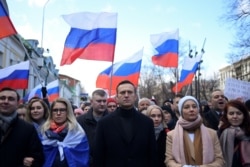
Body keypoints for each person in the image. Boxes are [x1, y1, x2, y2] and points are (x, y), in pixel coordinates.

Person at [94, 80, 158, 167]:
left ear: (135, 96)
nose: (126, 95)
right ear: (116, 98)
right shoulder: (104, 123)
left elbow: (152, 154)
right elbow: (98, 155)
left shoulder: (147, 122)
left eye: (130, 92)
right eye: (123, 92)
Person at [165, 95, 224, 167]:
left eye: (194, 106)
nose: (191, 109)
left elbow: (219, 160)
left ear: (198, 109)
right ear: (181, 111)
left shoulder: (212, 133)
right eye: (186, 107)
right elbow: (169, 160)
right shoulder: (171, 135)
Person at [0, 87, 44, 167]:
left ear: (17, 104)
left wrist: (32, 162)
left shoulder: (28, 129)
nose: (6, 101)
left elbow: (38, 158)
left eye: (10, 99)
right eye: (2, 98)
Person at [41, 97, 89, 167]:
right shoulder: (44, 131)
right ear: (51, 112)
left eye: (62, 110)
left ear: (68, 112)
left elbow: (83, 157)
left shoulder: (77, 132)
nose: (58, 113)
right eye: (55, 110)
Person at [77, 89, 109, 167]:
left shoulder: (113, 120)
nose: (102, 104)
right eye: (99, 101)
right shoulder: (80, 121)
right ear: (91, 102)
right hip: (85, 162)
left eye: (104, 101)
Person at [219, 100, 250, 167]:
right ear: (226, 115)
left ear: (244, 115)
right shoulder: (221, 133)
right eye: (231, 113)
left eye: (239, 113)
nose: (235, 116)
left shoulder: (248, 132)